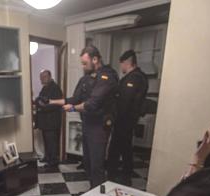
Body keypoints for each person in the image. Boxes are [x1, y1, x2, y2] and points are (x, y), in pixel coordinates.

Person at [50, 46, 118, 187]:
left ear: (95, 59)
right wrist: (51, 102)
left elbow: (92, 104)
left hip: (99, 127)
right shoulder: (85, 78)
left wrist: (73, 108)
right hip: (87, 125)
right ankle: (92, 193)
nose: (83, 66)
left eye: (84, 63)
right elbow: (74, 98)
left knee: (96, 166)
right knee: (87, 163)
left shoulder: (107, 76)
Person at [107, 50, 148, 185]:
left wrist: (114, 119)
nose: (121, 68)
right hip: (128, 120)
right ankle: (125, 174)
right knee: (125, 148)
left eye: (122, 65)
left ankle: (113, 175)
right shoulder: (140, 76)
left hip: (123, 120)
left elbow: (125, 102)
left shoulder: (134, 78)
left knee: (116, 148)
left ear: (126, 63)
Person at [34, 70, 63, 167]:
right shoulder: (45, 88)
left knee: (52, 142)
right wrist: (40, 103)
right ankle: (47, 157)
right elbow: (39, 100)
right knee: (46, 141)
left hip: (52, 121)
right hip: (45, 121)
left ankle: (53, 161)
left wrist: (42, 106)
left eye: (44, 76)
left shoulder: (55, 88)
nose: (42, 79)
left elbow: (56, 104)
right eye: (41, 77)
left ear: (49, 76)